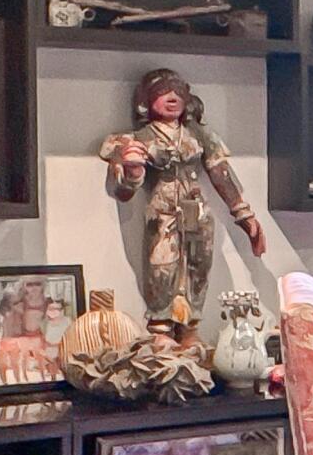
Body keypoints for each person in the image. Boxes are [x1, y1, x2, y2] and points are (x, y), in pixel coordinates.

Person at [100, 69, 265, 314]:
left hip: (197, 209)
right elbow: (122, 193)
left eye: (178, 92)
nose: (172, 97)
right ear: (145, 102)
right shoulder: (139, 139)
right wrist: (133, 172)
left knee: (199, 264)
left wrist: (244, 215)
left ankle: (191, 326)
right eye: (162, 92)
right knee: (161, 265)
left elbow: (220, 173)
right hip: (162, 210)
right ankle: (161, 326)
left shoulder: (199, 135)